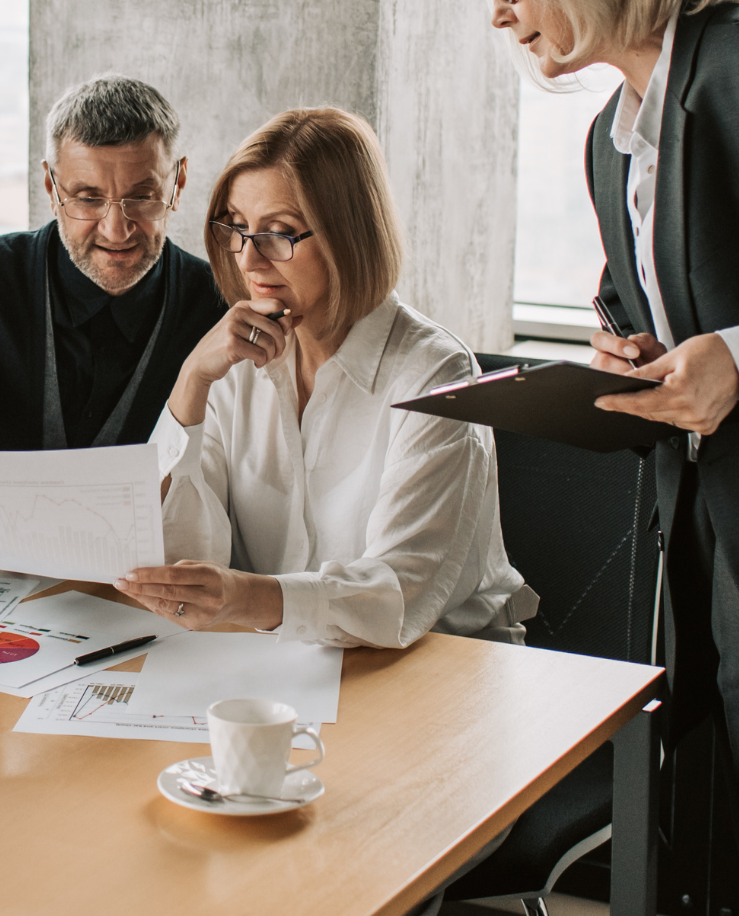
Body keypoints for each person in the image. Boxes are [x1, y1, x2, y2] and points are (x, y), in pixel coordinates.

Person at [477, 0, 739, 774]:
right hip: (710, 532)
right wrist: (624, 349)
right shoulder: (610, 140)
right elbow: (654, 301)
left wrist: (737, 356)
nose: (501, 13)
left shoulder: (733, 68)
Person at [116, 107, 531, 649]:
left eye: (280, 234)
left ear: (350, 234)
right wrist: (190, 383)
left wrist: (244, 597)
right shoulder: (233, 364)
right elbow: (175, 560)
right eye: (237, 229)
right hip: (284, 663)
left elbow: (396, 592)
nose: (250, 260)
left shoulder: (435, 374)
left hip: (437, 671)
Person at [0, 75, 227, 589]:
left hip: (148, 606)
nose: (117, 230)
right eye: (88, 199)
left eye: (142, 198)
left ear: (177, 184)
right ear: (51, 187)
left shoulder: (217, 304)